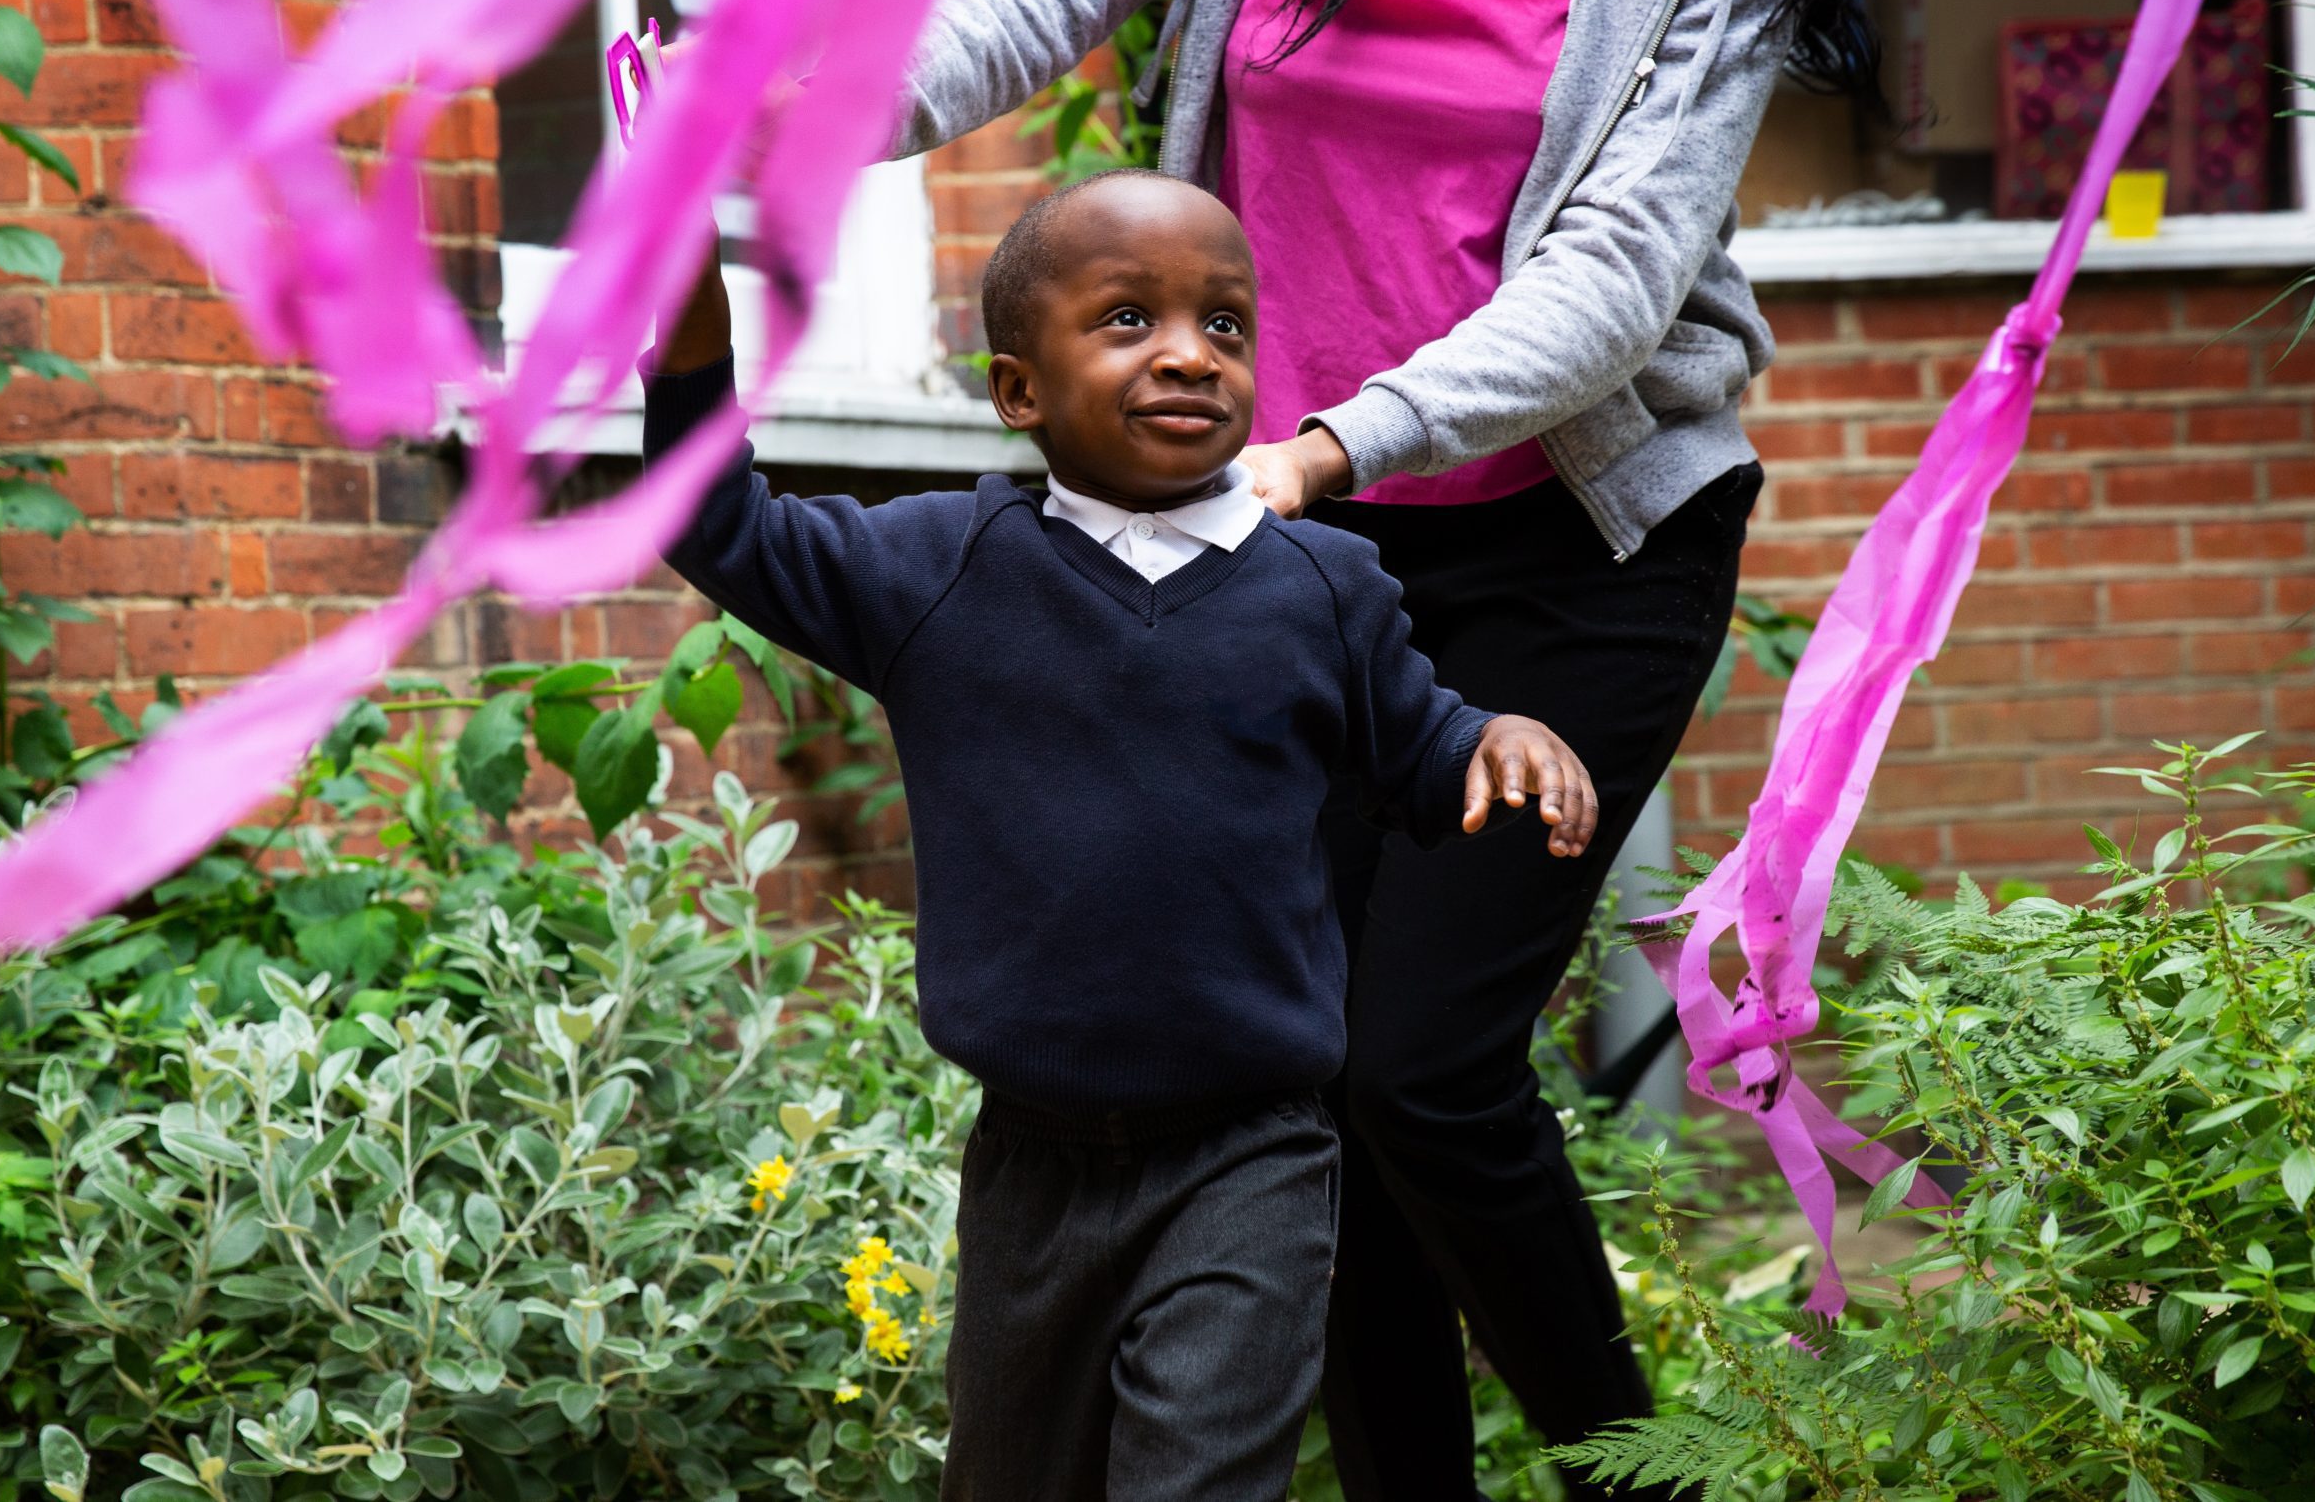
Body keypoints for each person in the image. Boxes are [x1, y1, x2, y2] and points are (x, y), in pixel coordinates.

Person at [888, 0, 1879, 1495]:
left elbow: (1627, 258)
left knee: (1416, 1064)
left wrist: (1335, 444)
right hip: (1299, 540)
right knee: (1308, 1080)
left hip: (1569, 540)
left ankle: (1635, 1474)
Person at [639, 169, 1599, 1502]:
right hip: (1029, 1163)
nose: (1189, 356)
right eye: (1130, 319)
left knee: (1196, 1481)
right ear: (1019, 389)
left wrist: (1499, 741)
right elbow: (713, 518)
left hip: (1252, 1149)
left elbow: (1424, 756)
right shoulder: (935, 575)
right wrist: (678, 286)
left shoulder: (1325, 588)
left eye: (1225, 325)